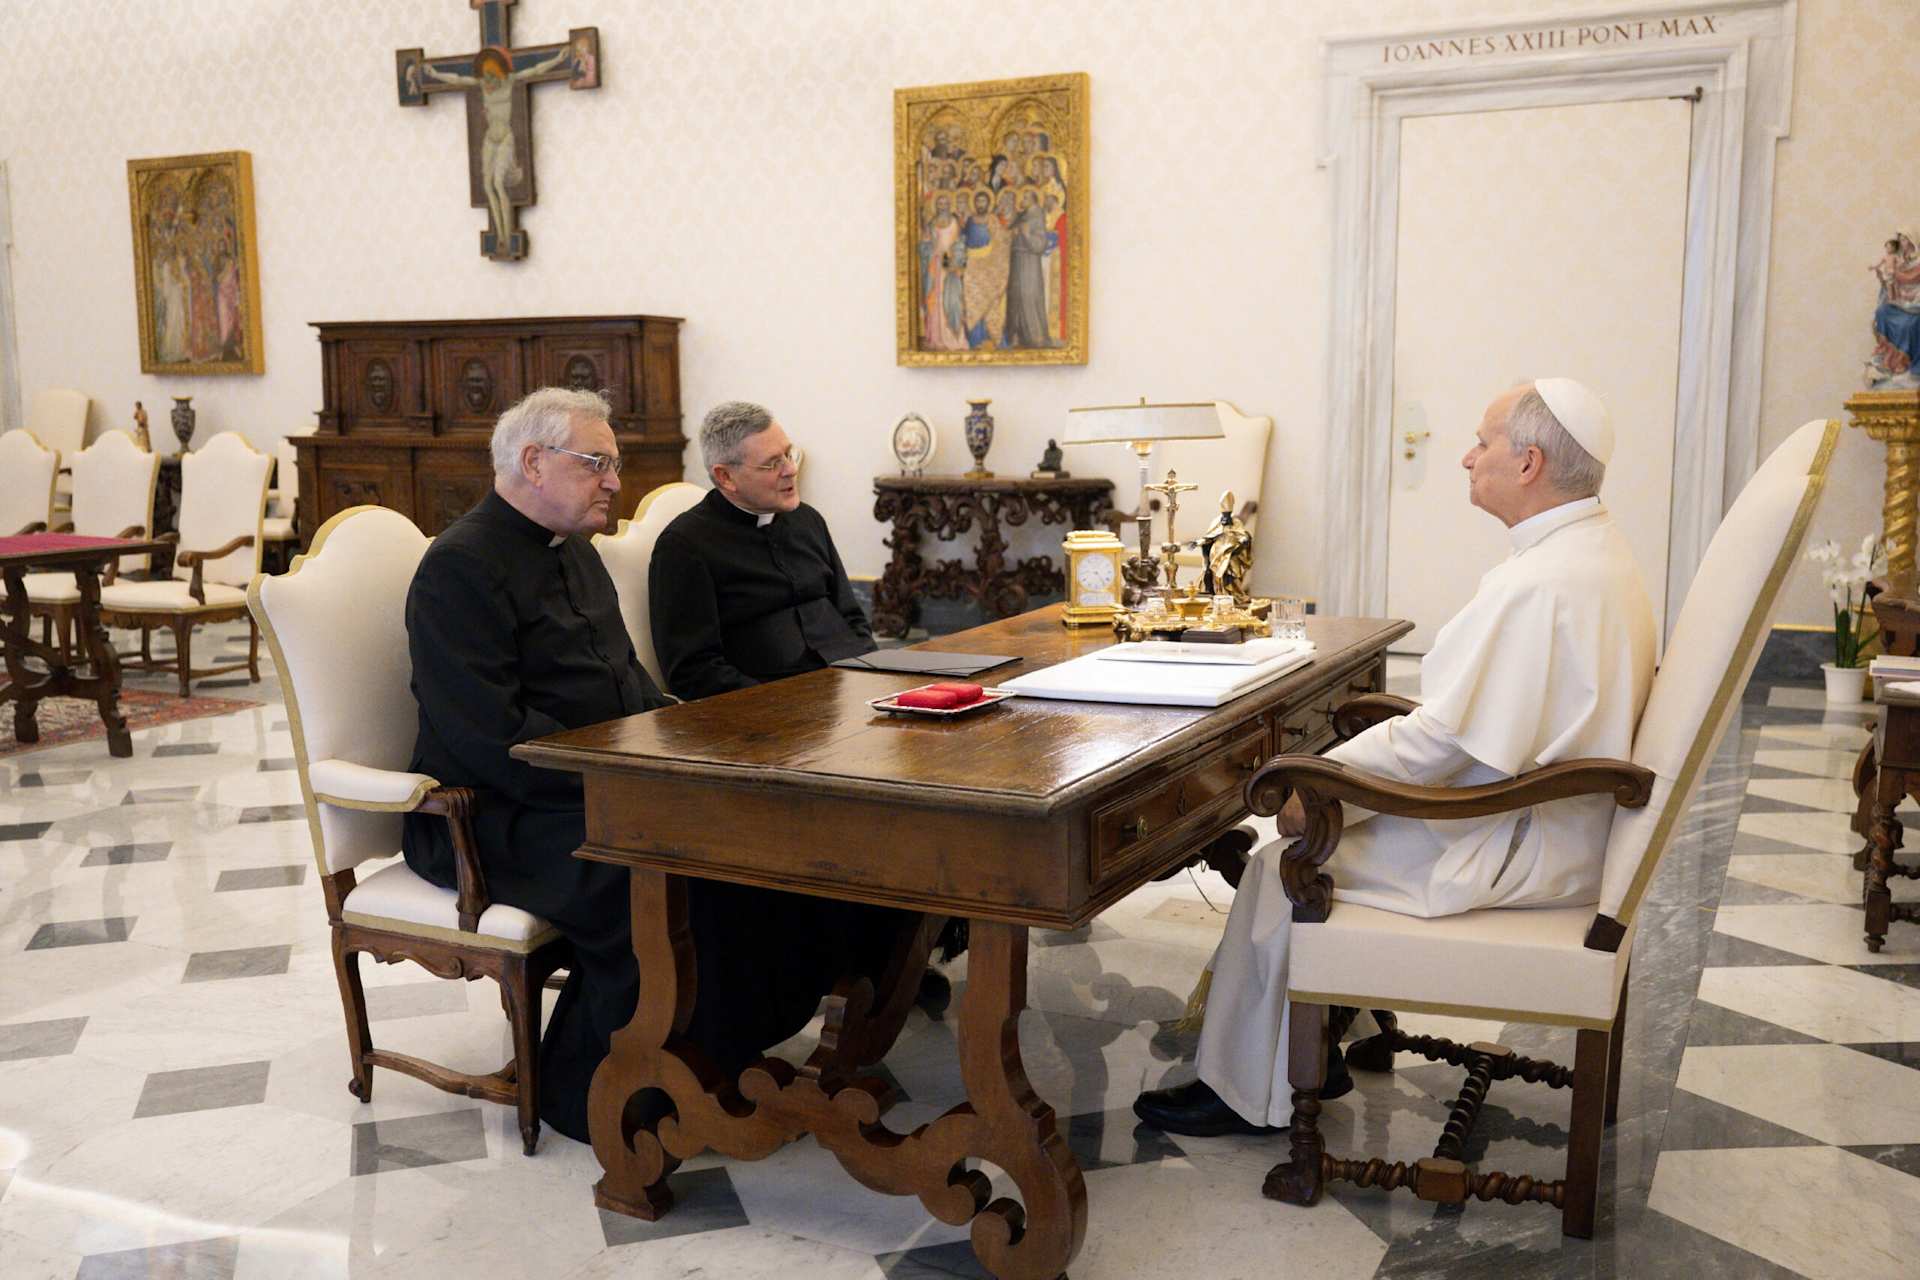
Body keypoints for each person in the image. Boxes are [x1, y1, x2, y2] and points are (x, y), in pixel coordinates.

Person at [1134, 379, 1656, 1138]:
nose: (1466, 457)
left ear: (1530, 463)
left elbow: (1442, 741)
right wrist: (1341, 777)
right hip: (1553, 820)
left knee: (1281, 866)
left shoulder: (1543, 582)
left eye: (1484, 442)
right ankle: (1315, 1047)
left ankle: (1251, 1092)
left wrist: (1320, 788)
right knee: (1314, 837)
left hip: (1522, 841)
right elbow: (1467, 728)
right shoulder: (1589, 551)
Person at [402, 387, 879, 1142]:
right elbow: (486, 734)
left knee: (761, 846)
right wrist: (632, 781)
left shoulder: (579, 553)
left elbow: (627, 687)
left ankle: (718, 1059)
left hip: (600, 786)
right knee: (655, 878)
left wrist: (691, 744)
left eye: (613, 465)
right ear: (533, 462)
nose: (614, 482)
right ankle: (605, 1101)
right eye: (597, 464)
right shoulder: (459, 566)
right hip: (498, 812)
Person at [649, 401, 877, 699]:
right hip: (770, 715)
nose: (791, 469)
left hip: (849, 690)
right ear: (725, 477)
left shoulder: (807, 519)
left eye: (788, 454)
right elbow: (693, 671)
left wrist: (871, 675)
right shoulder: (684, 547)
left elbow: (852, 616)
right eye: (772, 463)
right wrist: (774, 706)